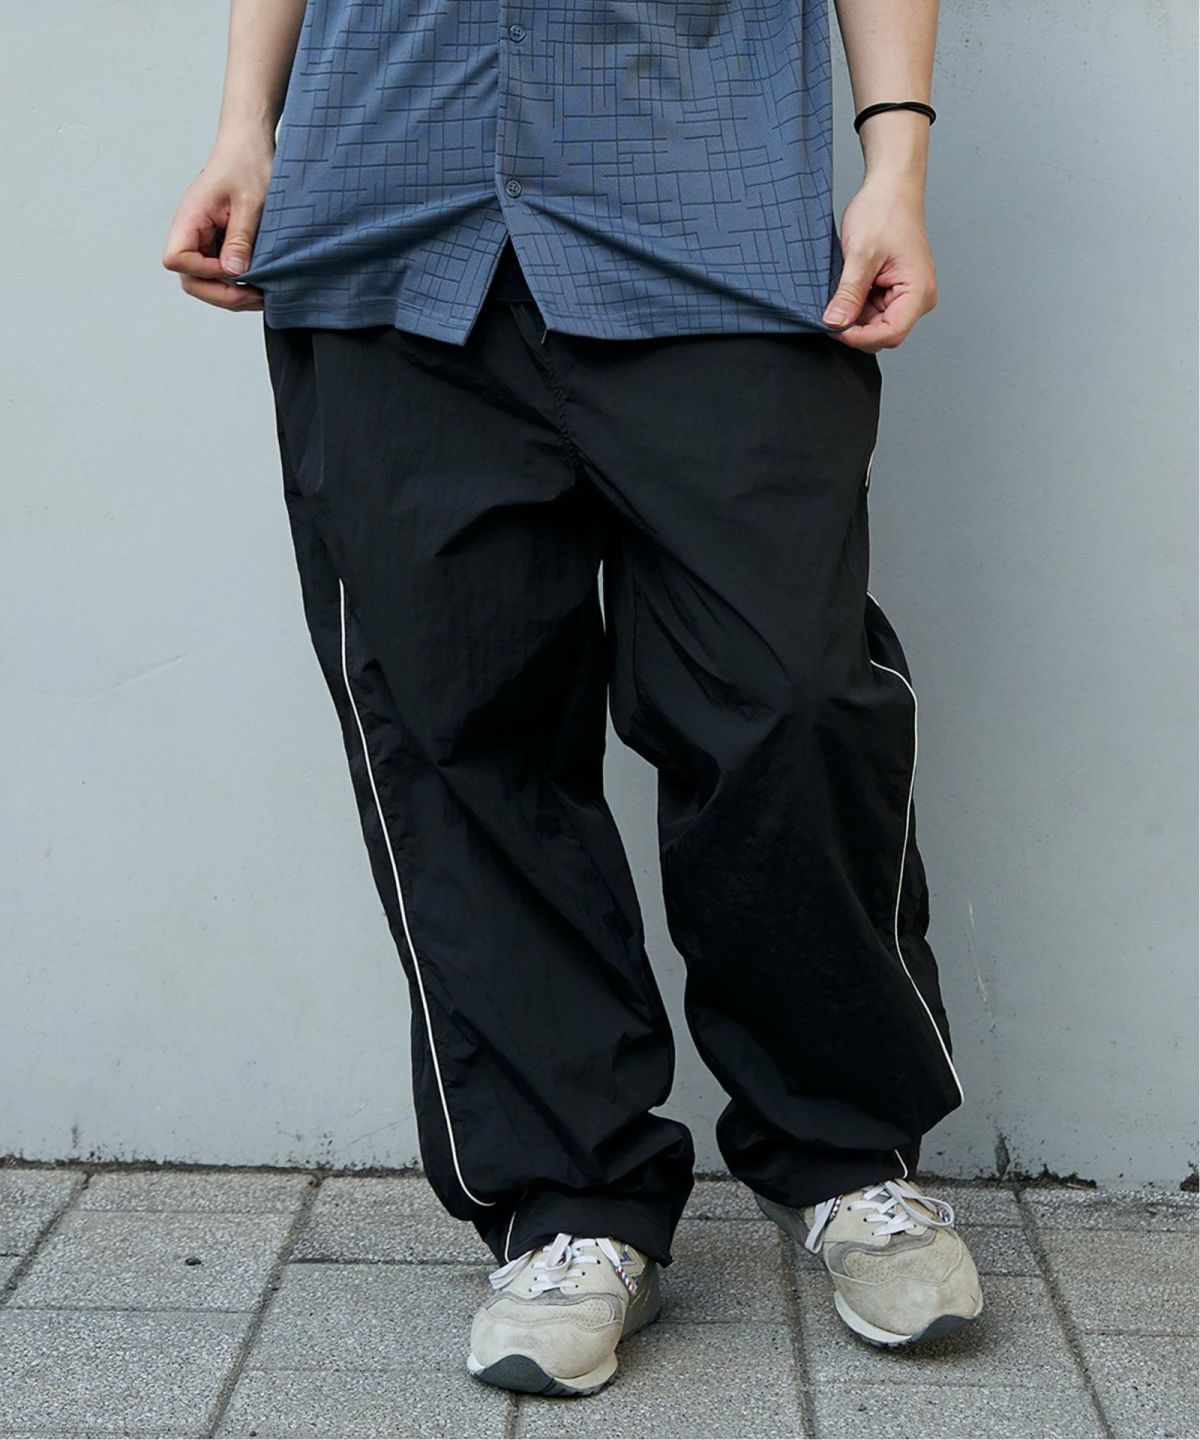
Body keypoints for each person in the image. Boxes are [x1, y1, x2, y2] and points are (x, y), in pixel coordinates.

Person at [165, 0, 983, 1397]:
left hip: (712, 209)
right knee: (455, 728)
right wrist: (247, 125)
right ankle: (570, 1201)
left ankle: (850, 1160)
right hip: (387, 209)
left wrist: (894, 163)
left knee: (789, 697)